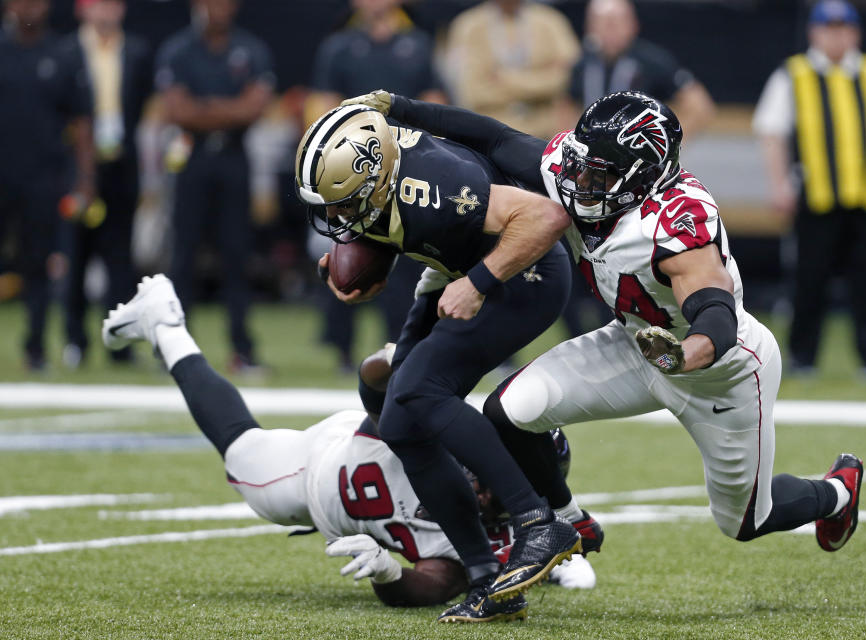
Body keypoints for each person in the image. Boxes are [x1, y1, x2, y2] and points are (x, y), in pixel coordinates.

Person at [344, 90, 865, 592]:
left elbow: (716, 313)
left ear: (643, 174)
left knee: (746, 520)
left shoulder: (675, 222)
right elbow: (495, 139)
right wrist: (401, 109)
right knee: (510, 411)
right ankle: (571, 522)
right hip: (636, 345)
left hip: (717, 370)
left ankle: (836, 492)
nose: (578, 178)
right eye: (581, 162)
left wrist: (686, 354)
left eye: (599, 172)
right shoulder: (578, 172)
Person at [101, 274, 595, 613]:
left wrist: (388, 575)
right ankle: (165, 324)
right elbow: (375, 387)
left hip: (355, 489)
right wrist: (395, 360)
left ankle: (162, 324)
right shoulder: (445, 433)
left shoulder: (493, 536)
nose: (485, 490)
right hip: (317, 472)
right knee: (239, 450)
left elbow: (437, 582)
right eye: (493, 470)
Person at [294, 104, 596, 622]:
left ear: (376, 177)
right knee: (402, 423)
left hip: (524, 273)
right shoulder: (389, 172)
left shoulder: (434, 189)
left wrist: (478, 283)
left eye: (344, 204)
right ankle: (486, 575)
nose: (337, 218)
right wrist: (374, 256)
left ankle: (536, 520)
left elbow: (545, 217)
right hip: (459, 266)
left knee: (420, 389)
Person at [752, 0, 866, 378]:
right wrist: (778, 185)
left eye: (844, 28)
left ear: (855, 32)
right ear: (814, 32)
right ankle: (802, 357)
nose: (837, 36)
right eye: (829, 28)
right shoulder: (793, 74)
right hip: (816, 198)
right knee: (809, 281)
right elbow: (771, 132)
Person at [305, 0, 448, 372]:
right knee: (346, 253)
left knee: (406, 261)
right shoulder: (339, 46)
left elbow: (436, 104)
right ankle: (341, 347)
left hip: (405, 168)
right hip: (351, 171)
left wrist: (422, 151)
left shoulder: (417, 44)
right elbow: (321, 107)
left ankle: (401, 346)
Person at [154, 0, 275, 373]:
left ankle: (242, 348)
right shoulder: (178, 49)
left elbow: (256, 107)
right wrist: (228, 110)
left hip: (234, 159)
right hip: (191, 158)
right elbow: (175, 111)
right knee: (183, 255)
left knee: (237, 256)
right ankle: (173, 349)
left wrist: (204, 108)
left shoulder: (252, 49)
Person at [0, 0, 95, 371]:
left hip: (44, 178)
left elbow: (82, 121)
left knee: (38, 264)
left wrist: (86, 179)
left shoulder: (63, 54)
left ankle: (35, 347)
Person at [60, 0, 152, 368]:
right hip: (77, 166)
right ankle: (75, 342)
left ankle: (121, 347)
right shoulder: (66, 52)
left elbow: (143, 104)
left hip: (120, 164)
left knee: (119, 259)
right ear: (83, 9)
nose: (106, 11)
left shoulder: (137, 51)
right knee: (75, 255)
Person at [565, 0, 715, 139]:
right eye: (601, 22)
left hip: (636, 150)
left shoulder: (653, 60)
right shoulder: (581, 62)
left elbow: (699, 106)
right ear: (588, 26)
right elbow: (565, 106)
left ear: (633, 24)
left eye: (616, 22)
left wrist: (666, 142)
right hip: (593, 152)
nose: (609, 30)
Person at [444, 0, 580, 140]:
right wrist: (541, 83)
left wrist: (505, 78)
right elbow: (473, 93)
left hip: (547, 136)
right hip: (490, 136)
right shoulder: (468, 26)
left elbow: (567, 79)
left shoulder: (551, 22)